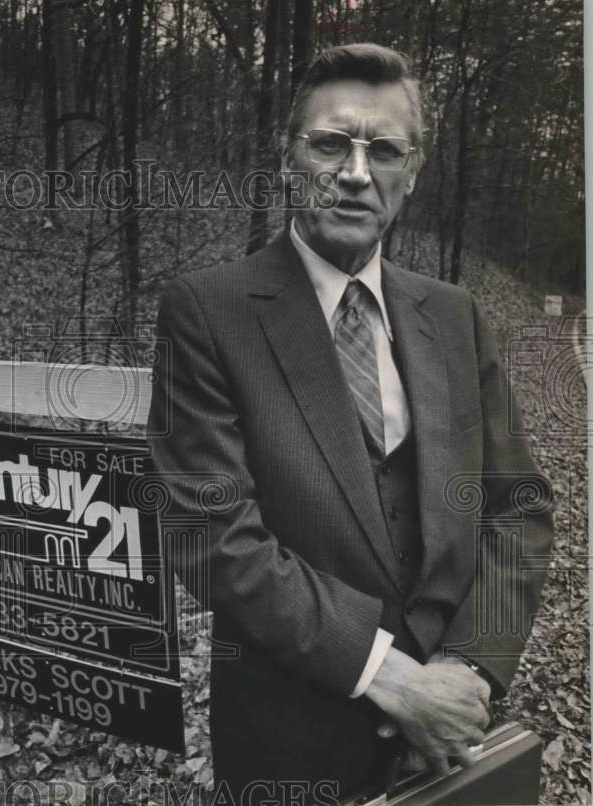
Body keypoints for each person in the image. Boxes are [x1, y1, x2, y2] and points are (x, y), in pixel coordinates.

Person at [147, 42, 553, 805]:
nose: (357, 172)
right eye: (331, 143)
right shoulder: (209, 310)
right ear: (288, 155)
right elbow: (207, 529)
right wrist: (387, 675)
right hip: (291, 748)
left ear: (414, 171)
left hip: (455, 745)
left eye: (385, 150)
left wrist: (468, 668)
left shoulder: (455, 316)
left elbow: (519, 506)